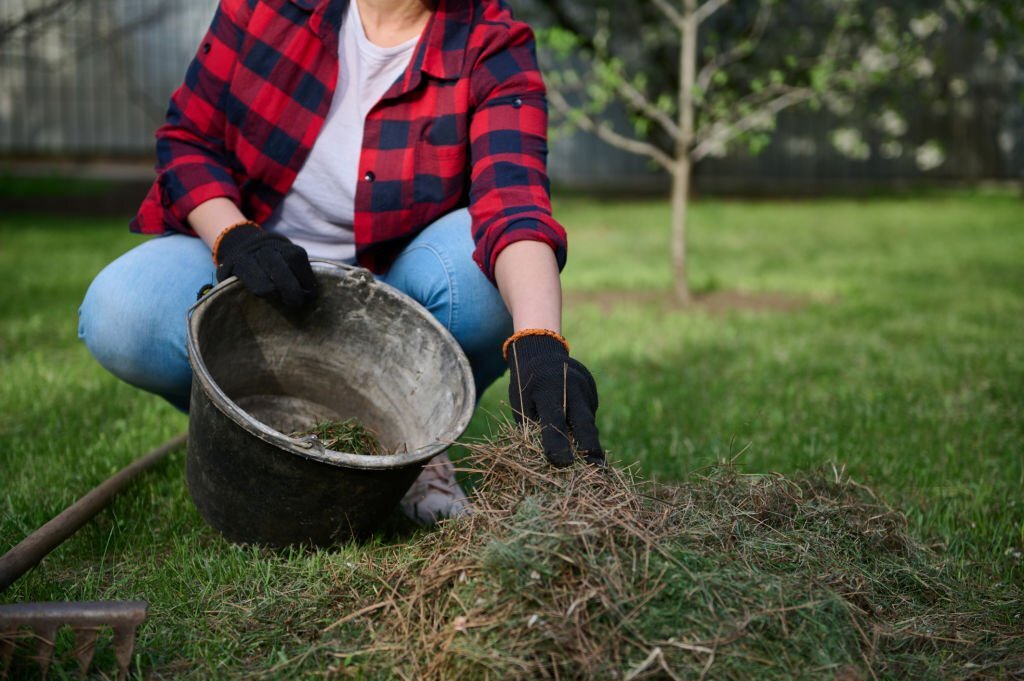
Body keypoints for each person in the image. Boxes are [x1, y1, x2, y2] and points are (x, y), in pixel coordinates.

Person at [78, 0, 603, 525]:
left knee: (483, 281)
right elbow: (189, 140)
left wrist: (539, 342)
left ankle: (412, 439)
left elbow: (514, 201)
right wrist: (235, 237)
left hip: (396, 295)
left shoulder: (491, 40)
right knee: (120, 310)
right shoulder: (267, 7)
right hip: (257, 273)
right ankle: (261, 422)